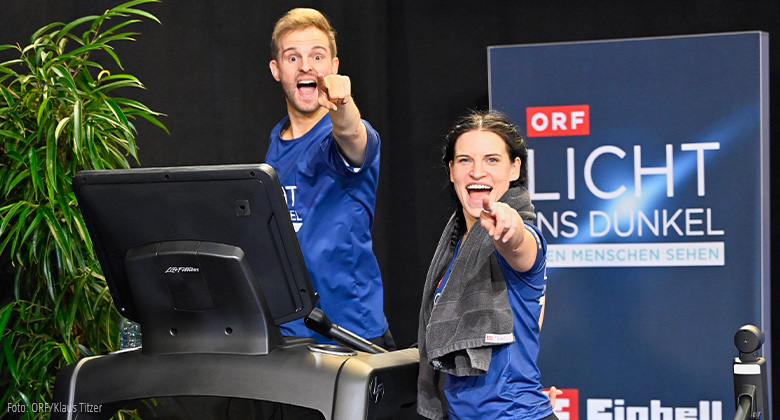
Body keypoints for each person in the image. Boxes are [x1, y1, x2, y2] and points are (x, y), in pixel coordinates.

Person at [265, 8, 393, 349]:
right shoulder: (277, 138)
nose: (306, 66)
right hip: (290, 333)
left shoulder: (339, 135)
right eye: (293, 57)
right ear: (277, 70)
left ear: (334, 67)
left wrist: (342, 103)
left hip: (349, 331)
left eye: (317, 56)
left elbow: (351, 133)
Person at [417, 109, 557, 420]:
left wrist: (510, 228)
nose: (477, 172)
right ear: (452, 171)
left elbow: (518, 243)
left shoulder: (522, 235)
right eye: (465, 160)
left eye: (492, 160)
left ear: (514, 168)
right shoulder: (455, 247)